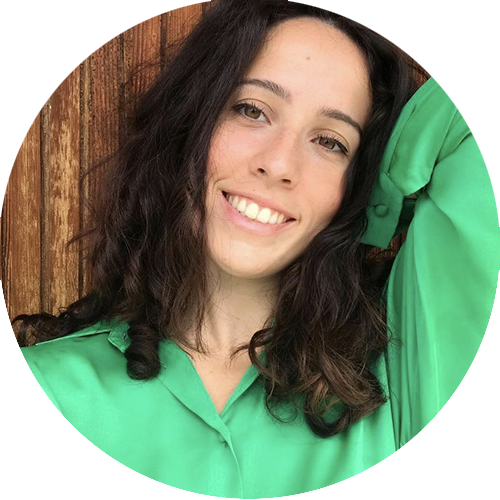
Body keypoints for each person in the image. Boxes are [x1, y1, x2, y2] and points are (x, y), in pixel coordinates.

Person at [13, 0, 500, 498]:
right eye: (252, 110)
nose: (279, 163)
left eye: (330, 142)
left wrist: (380, 204)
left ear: (354, 186)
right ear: (190, 123)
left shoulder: (417, 390)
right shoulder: (50, 386)